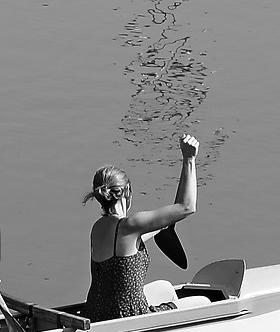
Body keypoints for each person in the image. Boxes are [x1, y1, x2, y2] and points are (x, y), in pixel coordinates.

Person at [82, 134, 199, 321]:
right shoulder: (131, 225)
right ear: (127, 192)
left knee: (165, 287)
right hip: (128, 317)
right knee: (202, 301)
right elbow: (186, 207)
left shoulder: (98, 228)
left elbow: (129, 245)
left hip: (94, 313)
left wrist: (164, 225)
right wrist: (189, 159)